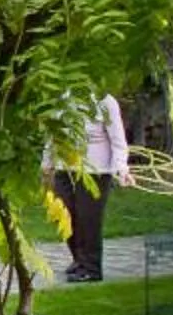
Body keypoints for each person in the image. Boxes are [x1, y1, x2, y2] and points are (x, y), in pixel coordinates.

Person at [52, 92, 132, 282]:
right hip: (64, 167)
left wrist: (122, 168)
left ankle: (91, 268)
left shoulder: (106, 101)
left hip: (95, 171)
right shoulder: (62, 97)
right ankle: (79, 260)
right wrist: (47, 164)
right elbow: (53, 135)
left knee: (88, 219)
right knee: (64, 215)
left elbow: (118, 141)